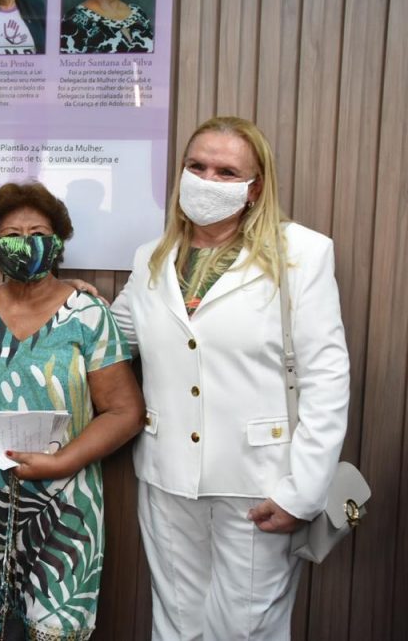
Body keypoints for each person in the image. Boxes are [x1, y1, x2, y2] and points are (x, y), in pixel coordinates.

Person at [111, 117, 350, 640]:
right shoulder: (152, 258)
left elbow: (327, 377)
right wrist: (66, 306)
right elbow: (112, 338)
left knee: (244, 629)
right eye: (196, 166)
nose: (207, 180)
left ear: (255, 187)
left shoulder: (301, 254)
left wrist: (302, 492)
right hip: (168, 477)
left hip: (260, 484)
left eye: (226, 172)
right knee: (176, 623)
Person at [0, 182, 145, 640]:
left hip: (61, 506)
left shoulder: (88, 315)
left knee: (52, 625)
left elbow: (125, 412)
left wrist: (63, 461)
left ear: (58, 242)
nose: (26, 243)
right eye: (12, 234)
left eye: (38, 233)